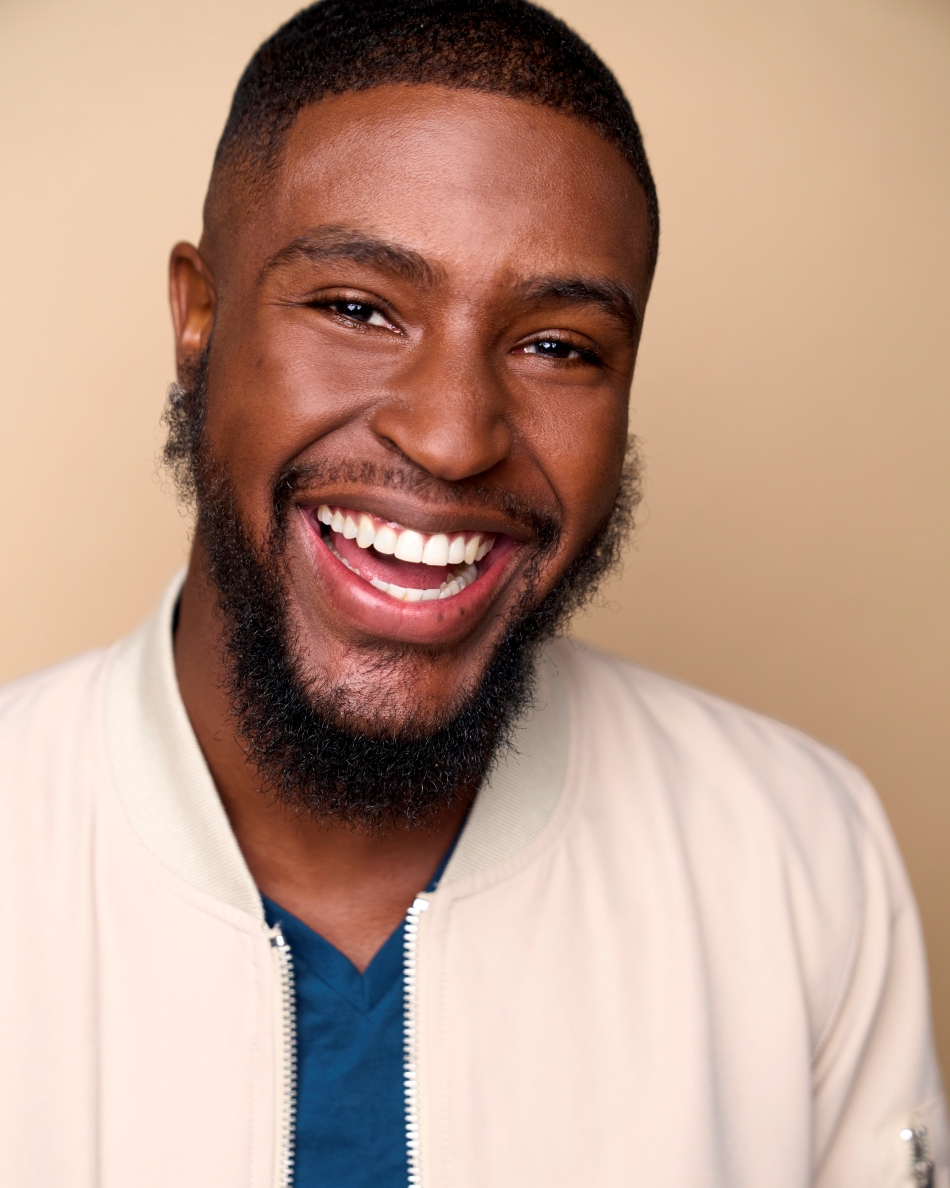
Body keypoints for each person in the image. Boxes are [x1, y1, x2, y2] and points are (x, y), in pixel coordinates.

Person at [0, 0, 945, 1184]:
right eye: (355, 308)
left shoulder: (797, 855)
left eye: (556, 345)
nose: (452, 438)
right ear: (198, 317)